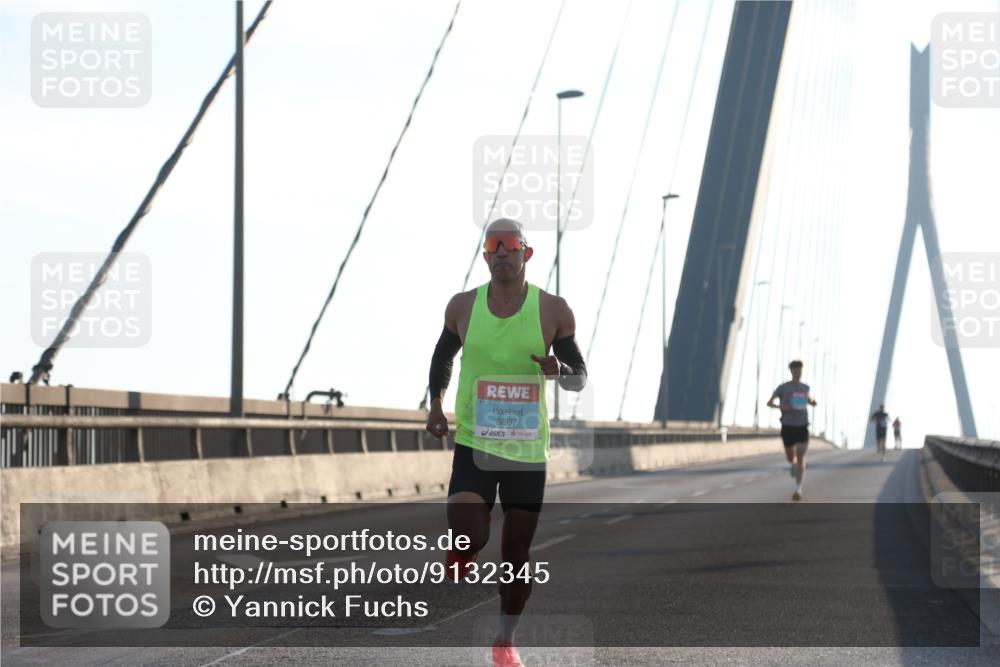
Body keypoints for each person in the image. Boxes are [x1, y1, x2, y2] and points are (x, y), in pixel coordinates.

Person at [425, 218, 587, 667]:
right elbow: (442, 357)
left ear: (526, 253)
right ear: (484, 255)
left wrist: (561, 373)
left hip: (526, 449)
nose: (500, 252)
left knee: (516, 551)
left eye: (509, 244)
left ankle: (504, 639)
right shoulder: (462, 306)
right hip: (476, 441)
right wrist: (436, 404)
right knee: (467, 529)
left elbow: (579, 377)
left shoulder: (553, 310)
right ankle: (464, 547)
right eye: (492, 245)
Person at [766, 359, 817, 501]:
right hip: (787, 425)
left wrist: (812, 402)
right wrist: (782, 407)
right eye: (795, 371)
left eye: (800, 371)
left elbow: (808, 399)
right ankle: (792, 464)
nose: (798, 374)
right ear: (791, 371)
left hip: (802, 425)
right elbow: (769, 403)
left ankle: (798, 489)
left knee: (801, 455)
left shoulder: (805, 388)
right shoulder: (783, 388)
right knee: (790, 457)